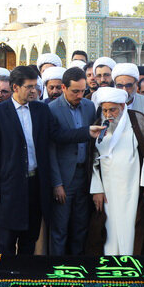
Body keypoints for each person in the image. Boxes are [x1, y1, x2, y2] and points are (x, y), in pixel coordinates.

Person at [0, 66, 100, 255]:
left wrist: (86, 132)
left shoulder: (41, 109)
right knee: (7, 237)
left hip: (36, 183)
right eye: (29, 87)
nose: (33, 91)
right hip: (10, 184)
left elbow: (58, 135)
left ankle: (27, 272)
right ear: (15, 87)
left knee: (31, 235)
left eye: (35, 86)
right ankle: (8, 273)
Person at [89, 87, 144, 255]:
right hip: (107, 190)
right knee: (110, 230)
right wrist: (97, 189)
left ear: (122, 106)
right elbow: (93, 160)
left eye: (112, 110)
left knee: (132, 228)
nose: (108, 114)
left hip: (132, 189)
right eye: (105, 110)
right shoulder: (99, 124)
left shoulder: (137, 120)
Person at [47, 67, 96, 255]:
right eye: (75, 91)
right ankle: (58, 268)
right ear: (63, 88)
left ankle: (77, 265)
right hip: (64, 179)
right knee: (60, 229)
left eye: (83, 91)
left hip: (84, 176)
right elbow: (51, 149)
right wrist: (57, 183)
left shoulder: (89, 106)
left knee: (81, 226)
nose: (79, 95)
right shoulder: (52, 109)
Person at [106, 63, 144, 145]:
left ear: (136, 84)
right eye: (119, 86)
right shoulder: (106, 104)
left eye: (128, 85)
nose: (124, 90)